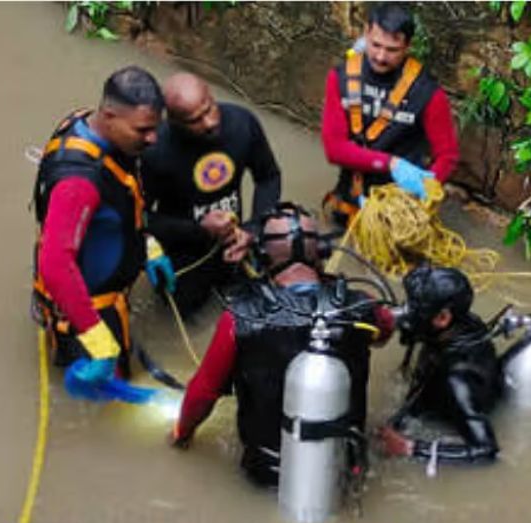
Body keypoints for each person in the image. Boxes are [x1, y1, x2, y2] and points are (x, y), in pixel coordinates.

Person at [168, 204, 396, 486]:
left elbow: (203, 392)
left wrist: (181, 434)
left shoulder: (238, 318)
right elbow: (386, 331)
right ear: (322, 252)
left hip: (267, 474)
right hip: (344, 469)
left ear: (263, 256)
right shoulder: (363, 307)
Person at [30, 66, 175, 391]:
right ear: (109, 116)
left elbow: (122, 201)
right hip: (88, 308)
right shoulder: (78, 183)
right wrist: (97, 340)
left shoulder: (88, 126)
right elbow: (55, 265)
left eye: (156, 128)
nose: (153, 138)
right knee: (112, 398)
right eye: (143, 130)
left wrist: (147, 246)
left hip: (104, 284)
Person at [141, 73, 282, 317]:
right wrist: (199, 228)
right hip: (183, 250)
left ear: (212, 96)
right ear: (174, 121)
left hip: (235, 240)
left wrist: (254, 229)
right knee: (180, 312)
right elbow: (140, 217)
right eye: (195, 120)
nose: (209, 123)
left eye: (209, 109)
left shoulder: (242, 123)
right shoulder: (155, 151)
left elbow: (268, 177)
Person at [320, 2, 460, 226]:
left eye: (392, 50)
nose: (381, 57)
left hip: (400, 211)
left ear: (408, 46)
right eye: (375, 45)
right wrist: (391, 164)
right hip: (350, 202)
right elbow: (334, 150)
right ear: (366, 33)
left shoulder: (427, 93)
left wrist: (427, 190)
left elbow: (447, 156)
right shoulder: (341, 77)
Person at [378, 265, 502, 464]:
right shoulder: (464, 324)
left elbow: (486, 451)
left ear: (443, 318)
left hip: (451, 408)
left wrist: (411, 448)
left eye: (416, 307)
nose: (407, 311)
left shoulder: (458, 380)